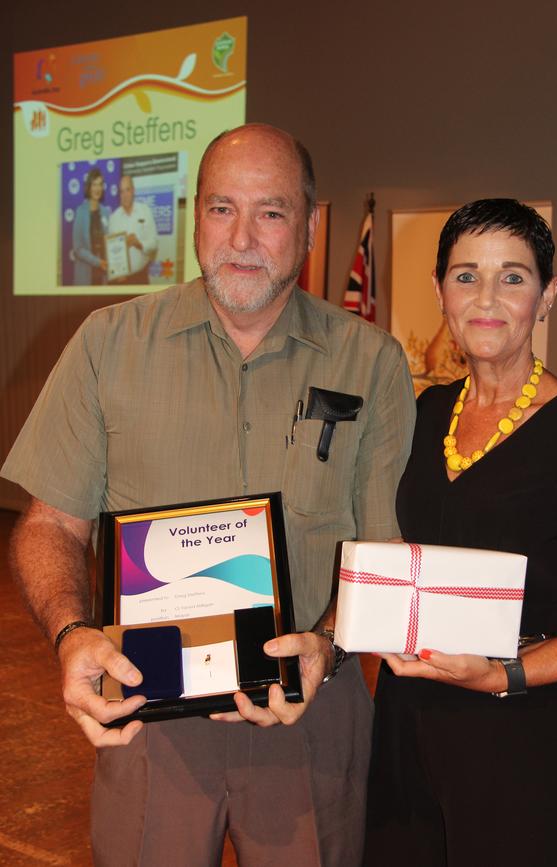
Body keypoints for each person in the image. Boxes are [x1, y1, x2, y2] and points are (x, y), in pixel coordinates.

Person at [2, 123, 416, 867]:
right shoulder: (108, 343)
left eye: (272, 211)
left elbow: (381, 552)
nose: (242, 238)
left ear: (312, 225)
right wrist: (72, 635)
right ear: (194, 215)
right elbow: (49, 525)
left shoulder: (372, 361)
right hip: (147, 715)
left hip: (312, 710)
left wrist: (327, 641)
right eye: (222, 208)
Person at [363, 199, 557, 867]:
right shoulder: (425, 411)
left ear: (547, 295)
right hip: (406, 715)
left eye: (513, 277)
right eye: (466, 276)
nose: (486, 297)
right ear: (439, 292)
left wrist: (502, 673)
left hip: (516, 727)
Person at [107, 174, 158, 284]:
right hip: (120, 280)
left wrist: (138, 243)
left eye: (127, 190)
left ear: (133, 191)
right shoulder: (113, 218)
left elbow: (154, 244)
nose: (125, 195)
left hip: (140, 277)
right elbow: (112, 252)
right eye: (121, 191)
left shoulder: (145, 211)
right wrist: (117, 272)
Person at [72, 167, 110, 285]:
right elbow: (77, 248)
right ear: (89, 187)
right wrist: (98, 262)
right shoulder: (80, 211)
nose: (97, 188)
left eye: (100, 184)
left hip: (102, 275)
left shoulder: (106, 212)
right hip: (86, 275)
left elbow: (109, 242)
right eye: (94, 184)